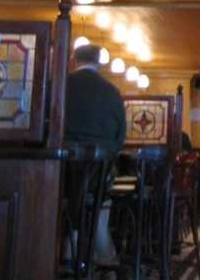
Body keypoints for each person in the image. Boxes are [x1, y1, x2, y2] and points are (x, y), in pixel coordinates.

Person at [64, 44, 126, 275]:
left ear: (73, 61)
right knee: (98, 217)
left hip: (62, 174)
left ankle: (67, 263)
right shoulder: (112, 92)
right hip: (100, 172)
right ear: (100, 63)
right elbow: (120, 138)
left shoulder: (61, 85)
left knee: (67, 214)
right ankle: (108, 269)